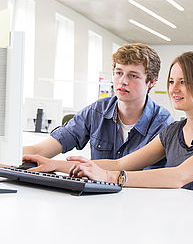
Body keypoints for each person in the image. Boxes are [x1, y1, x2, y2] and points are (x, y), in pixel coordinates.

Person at [24, 51, 193, 199]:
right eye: (171, 82)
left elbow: (179, 176)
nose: (174, 89)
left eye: (183, 82)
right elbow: (121, 163)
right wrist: (55, 166)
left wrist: (109, 178)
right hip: (179, 223)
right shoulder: (173, 132)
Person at [23, 43, 174, 169]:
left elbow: (121, 167)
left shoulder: (163, 123)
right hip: (98, 199)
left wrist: (57, 165)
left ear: (152, 82)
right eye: (118, 72)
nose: (123, 81)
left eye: (133, 75)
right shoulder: (97, 111)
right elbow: (41, 150)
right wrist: (9, 153)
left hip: (141, 199)